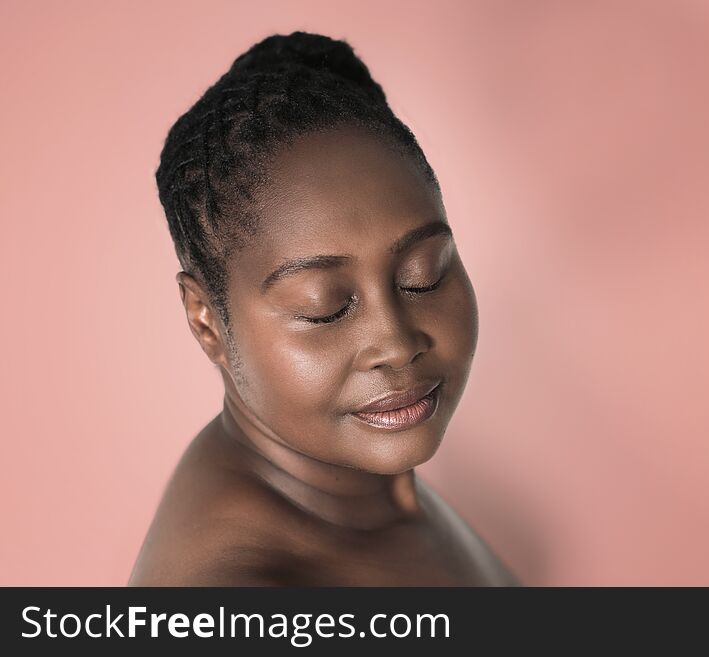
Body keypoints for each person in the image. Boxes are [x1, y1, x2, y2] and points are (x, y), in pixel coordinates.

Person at [128, 31, 520, 586]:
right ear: (205, 319)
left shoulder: (357, 484)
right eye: (325, 310)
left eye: (423, 275)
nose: (398, 343)